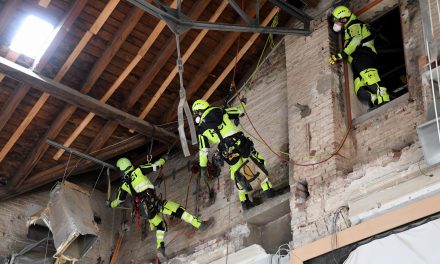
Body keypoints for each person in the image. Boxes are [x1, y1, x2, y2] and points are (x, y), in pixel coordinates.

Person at [108, 155, 213, 257]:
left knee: (160, 225)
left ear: (122, 170)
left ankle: (160, 247)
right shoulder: (138, 170)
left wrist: (110, 204)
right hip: (153, 202)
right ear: (129, 165)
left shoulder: (124, 186)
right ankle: (200, 225)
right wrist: (164, 159)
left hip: (145, 211)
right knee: (178, 210)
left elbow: (118, 201)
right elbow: (155, 166)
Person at [192, 98, 276, 211]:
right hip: (240, 143)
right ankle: (269, 192)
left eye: (196, 113)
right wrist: (243, 103)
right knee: (255, 163)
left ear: (199, 112)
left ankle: (244, 202)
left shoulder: (202, 130)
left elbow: (203, 150)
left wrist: (203, 167)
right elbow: (239, 110)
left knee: (237, 174)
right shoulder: (221, 111)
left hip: (227, 152)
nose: (196, 116)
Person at [329, 5, 390, 108]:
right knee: (359, 90)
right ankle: (376, 101)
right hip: (356, 60)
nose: (336, 23)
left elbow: (355, 40)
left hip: (363, 54)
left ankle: (384, 99)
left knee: (370, 78)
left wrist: (341, 55)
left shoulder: (354, 25)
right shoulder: (348, 28)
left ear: (344, 18)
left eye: (337, 20)